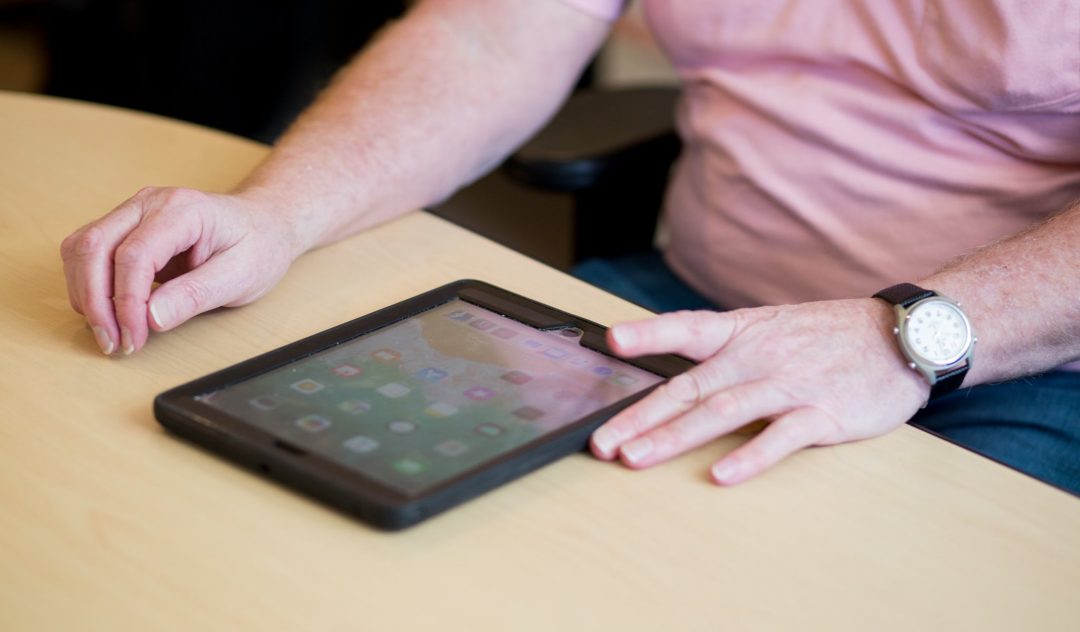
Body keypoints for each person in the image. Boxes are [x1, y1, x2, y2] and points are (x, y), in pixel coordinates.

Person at [60, 0, 1080, 493]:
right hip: (693, 297)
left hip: (1003, 357)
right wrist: (282, 212)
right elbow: (488, 36)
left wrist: (900, 338)